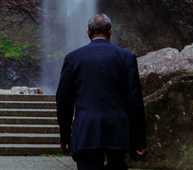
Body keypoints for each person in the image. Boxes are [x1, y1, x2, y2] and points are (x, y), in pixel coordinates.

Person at [56, 13, 146, 170]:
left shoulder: (73, 58)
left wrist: (65, 137)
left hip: (86, 131)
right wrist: (140, 140)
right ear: (110, 31)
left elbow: (63, 101)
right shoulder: (127, 57)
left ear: (88, 33)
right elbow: (135, 101)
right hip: (117, 131)